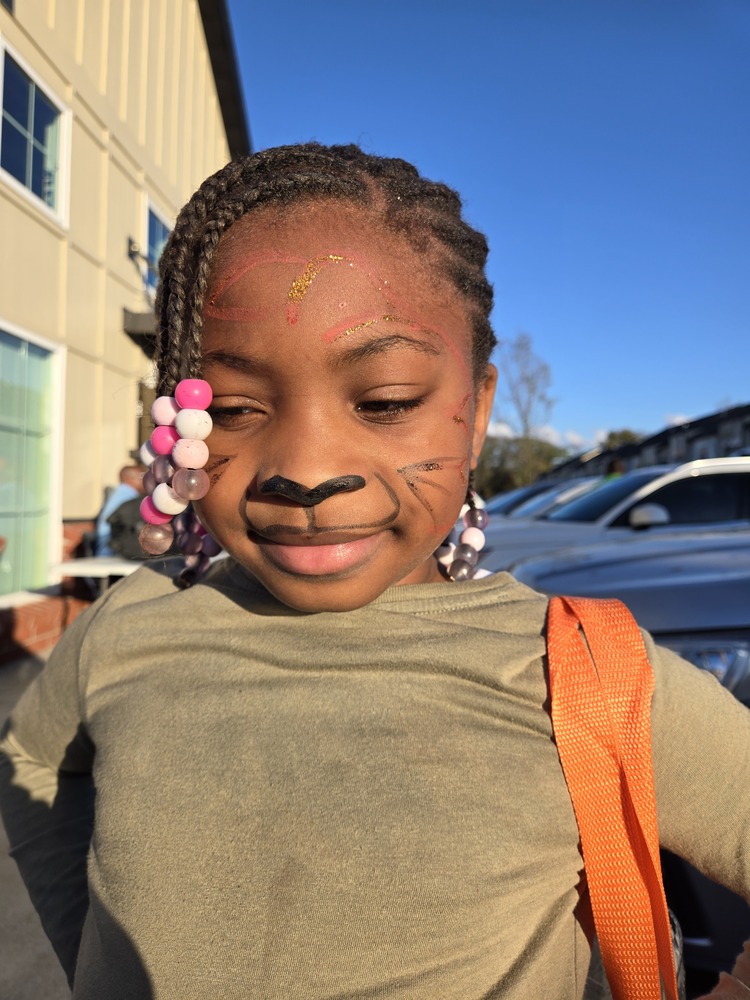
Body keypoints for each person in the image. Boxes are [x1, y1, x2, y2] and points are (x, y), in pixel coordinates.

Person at [0, 143, 748, 1000]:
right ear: (183, 418)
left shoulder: (574, 670)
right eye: (238, 408)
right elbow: (30, 761)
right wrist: (93, 957)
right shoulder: (127, 625)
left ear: (478, 415)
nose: (307, 470)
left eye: (385, 402)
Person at [93, 463, 147, 556]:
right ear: (128, 478)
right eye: (141, 476)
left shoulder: (121, 493)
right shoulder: (127, 496)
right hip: (111, 553)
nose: (144, 480)